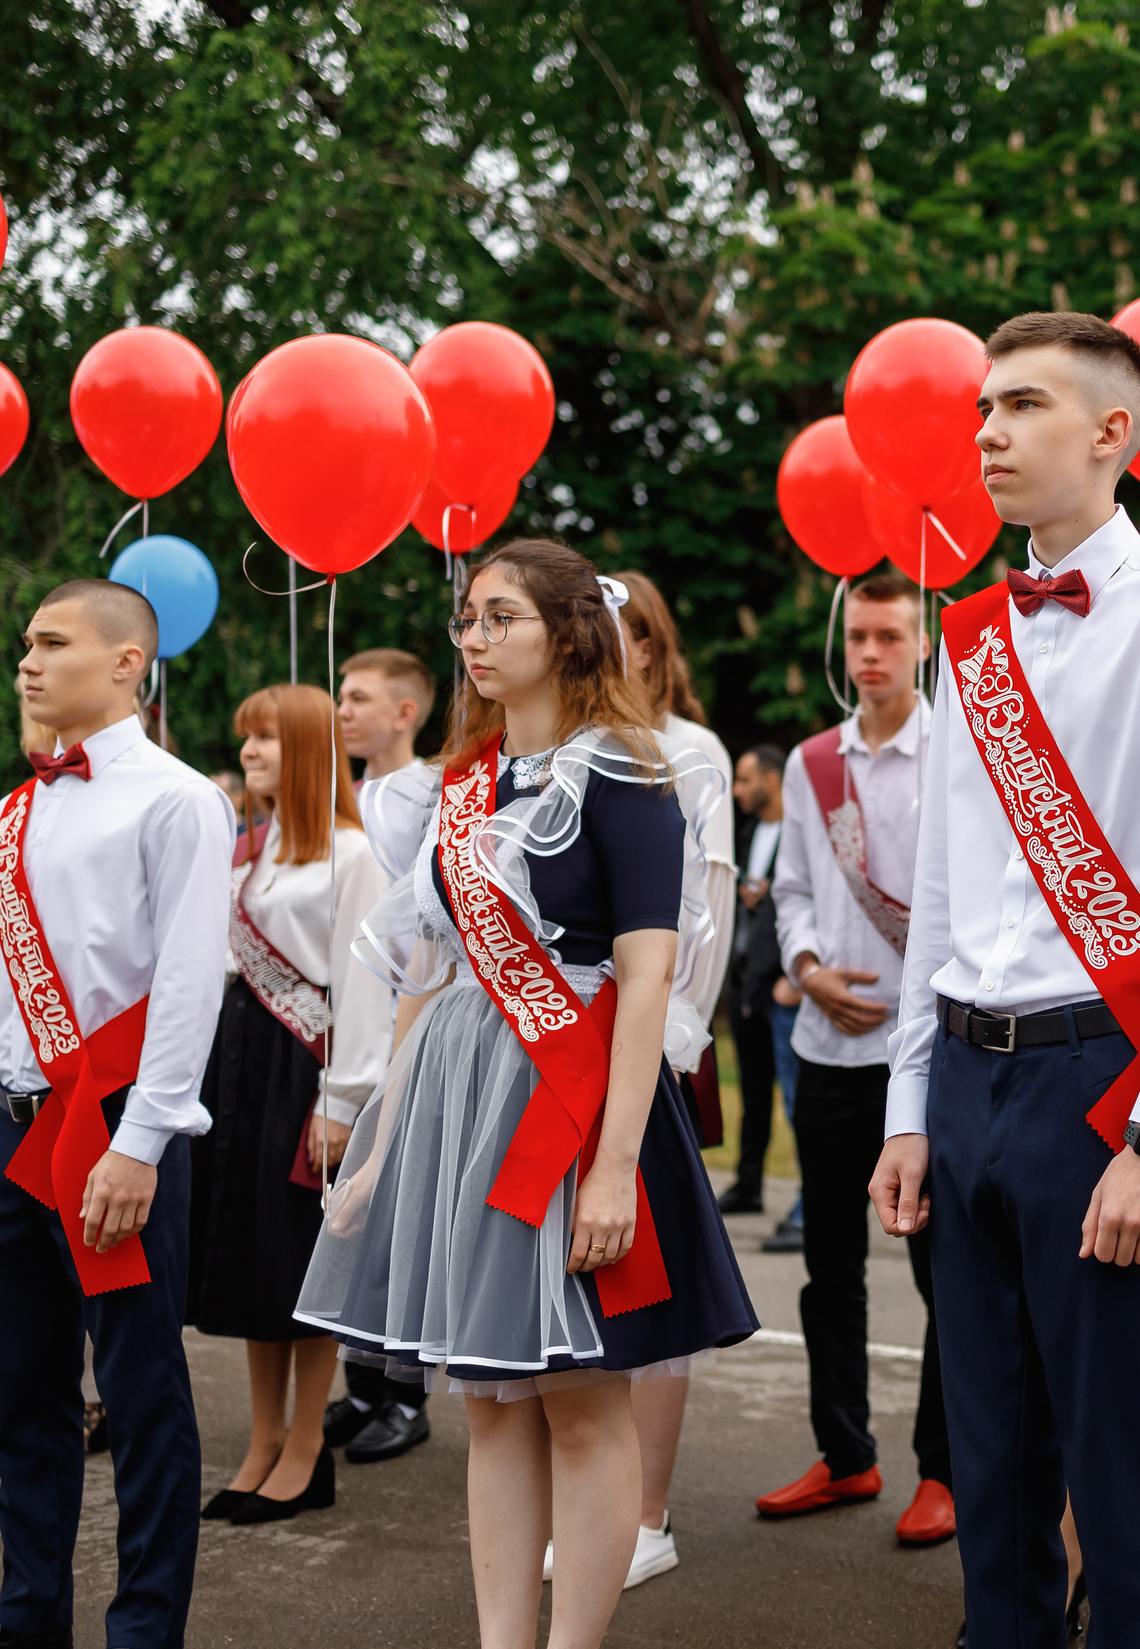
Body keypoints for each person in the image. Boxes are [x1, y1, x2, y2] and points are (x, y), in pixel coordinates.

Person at [871, 311, 1140, 1649]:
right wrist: (908, 1104)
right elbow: (942, 883)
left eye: (1022, 405)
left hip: (1102, 1081)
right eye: (982, 407)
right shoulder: (974, 629)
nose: (985, 431)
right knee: (987, 1472)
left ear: (1114, 433)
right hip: (970, 1072)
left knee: (1115, 1477)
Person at [295, 538, 755, 1649]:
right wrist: (380, 1143)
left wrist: (610, 1168)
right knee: (491, 1402)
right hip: (460, 1088)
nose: (474, 637)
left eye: (500, 616)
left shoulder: (630, 773)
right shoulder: (464, 786)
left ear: (567, 630)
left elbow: (647, 978)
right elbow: (429, 972)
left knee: (581, 1403)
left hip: (575, 1096)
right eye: (466, 618)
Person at [0, 579, 235, 1649]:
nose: (27, 663)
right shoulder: (16, 806)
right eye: (23, 644)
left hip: (113, 1127)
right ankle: (28, 1608)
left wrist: (142, 1143)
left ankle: (145, 1627)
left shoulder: (180, 798)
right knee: (25, 1396)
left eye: (53, 643)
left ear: (130, 660)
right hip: (9, 1126)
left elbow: (190, 983)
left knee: (139, 1396)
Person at [755, 568, 955, 1546]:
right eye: (859, 638)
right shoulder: (812, 762)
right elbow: (790, 887)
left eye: (889, 637)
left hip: (925, 1057)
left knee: (938, 1271)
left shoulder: (955, 751)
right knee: (827, 1268)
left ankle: (944, 1470)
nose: (870, 654)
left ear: (921, 643)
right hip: (829, 1046)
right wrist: (805, 966)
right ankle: (846, 1456)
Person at [185, 684, 389, 1524]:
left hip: (300, 1070)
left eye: (266, 737)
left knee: (301, 1263)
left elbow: (368, 987)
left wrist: (340, 1100)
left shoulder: (354, 853)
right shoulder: (250, 848)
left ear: (304, 746)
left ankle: (308, 1446)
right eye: (246, 738)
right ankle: (262, 1440)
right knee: (248, 1264)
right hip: (232, 1064)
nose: (249, 753)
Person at [600, 568, 741, 1588]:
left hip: (649, 1046)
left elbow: (707, 913)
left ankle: (646, 1512)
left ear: (654, 648)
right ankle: (593, 1491)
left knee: (650, 1284)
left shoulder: (690, 754)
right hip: (556, 1051)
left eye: (625, 635)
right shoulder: (553, 748)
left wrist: (668, 1042)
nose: (608, 651)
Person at [325, 647, 445, 1466]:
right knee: (341, 1214)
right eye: (340, 694)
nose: (343, 709)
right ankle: (360, 1380)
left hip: (406, 1010)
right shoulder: (343, 796)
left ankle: (404, 1390)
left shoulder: (426, 793)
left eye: (360, 697)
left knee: (396, 1205)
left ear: (406, 711)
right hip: (341, 1009)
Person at [720, 743, 792, 1216]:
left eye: (746, 781)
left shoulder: (800, 834)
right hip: (743, 979)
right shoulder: (744, 835)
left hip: (784, 984)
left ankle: (811, 1202)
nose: (738, 791)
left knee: (796, 1094)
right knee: (751, 1088)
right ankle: (748, 1185)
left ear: (772, 779)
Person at [337, 646, 434, 784]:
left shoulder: (443, 798)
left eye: (358, 698)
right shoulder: (341, 801)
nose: (341, 713)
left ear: (404, 714)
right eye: (341, 700)